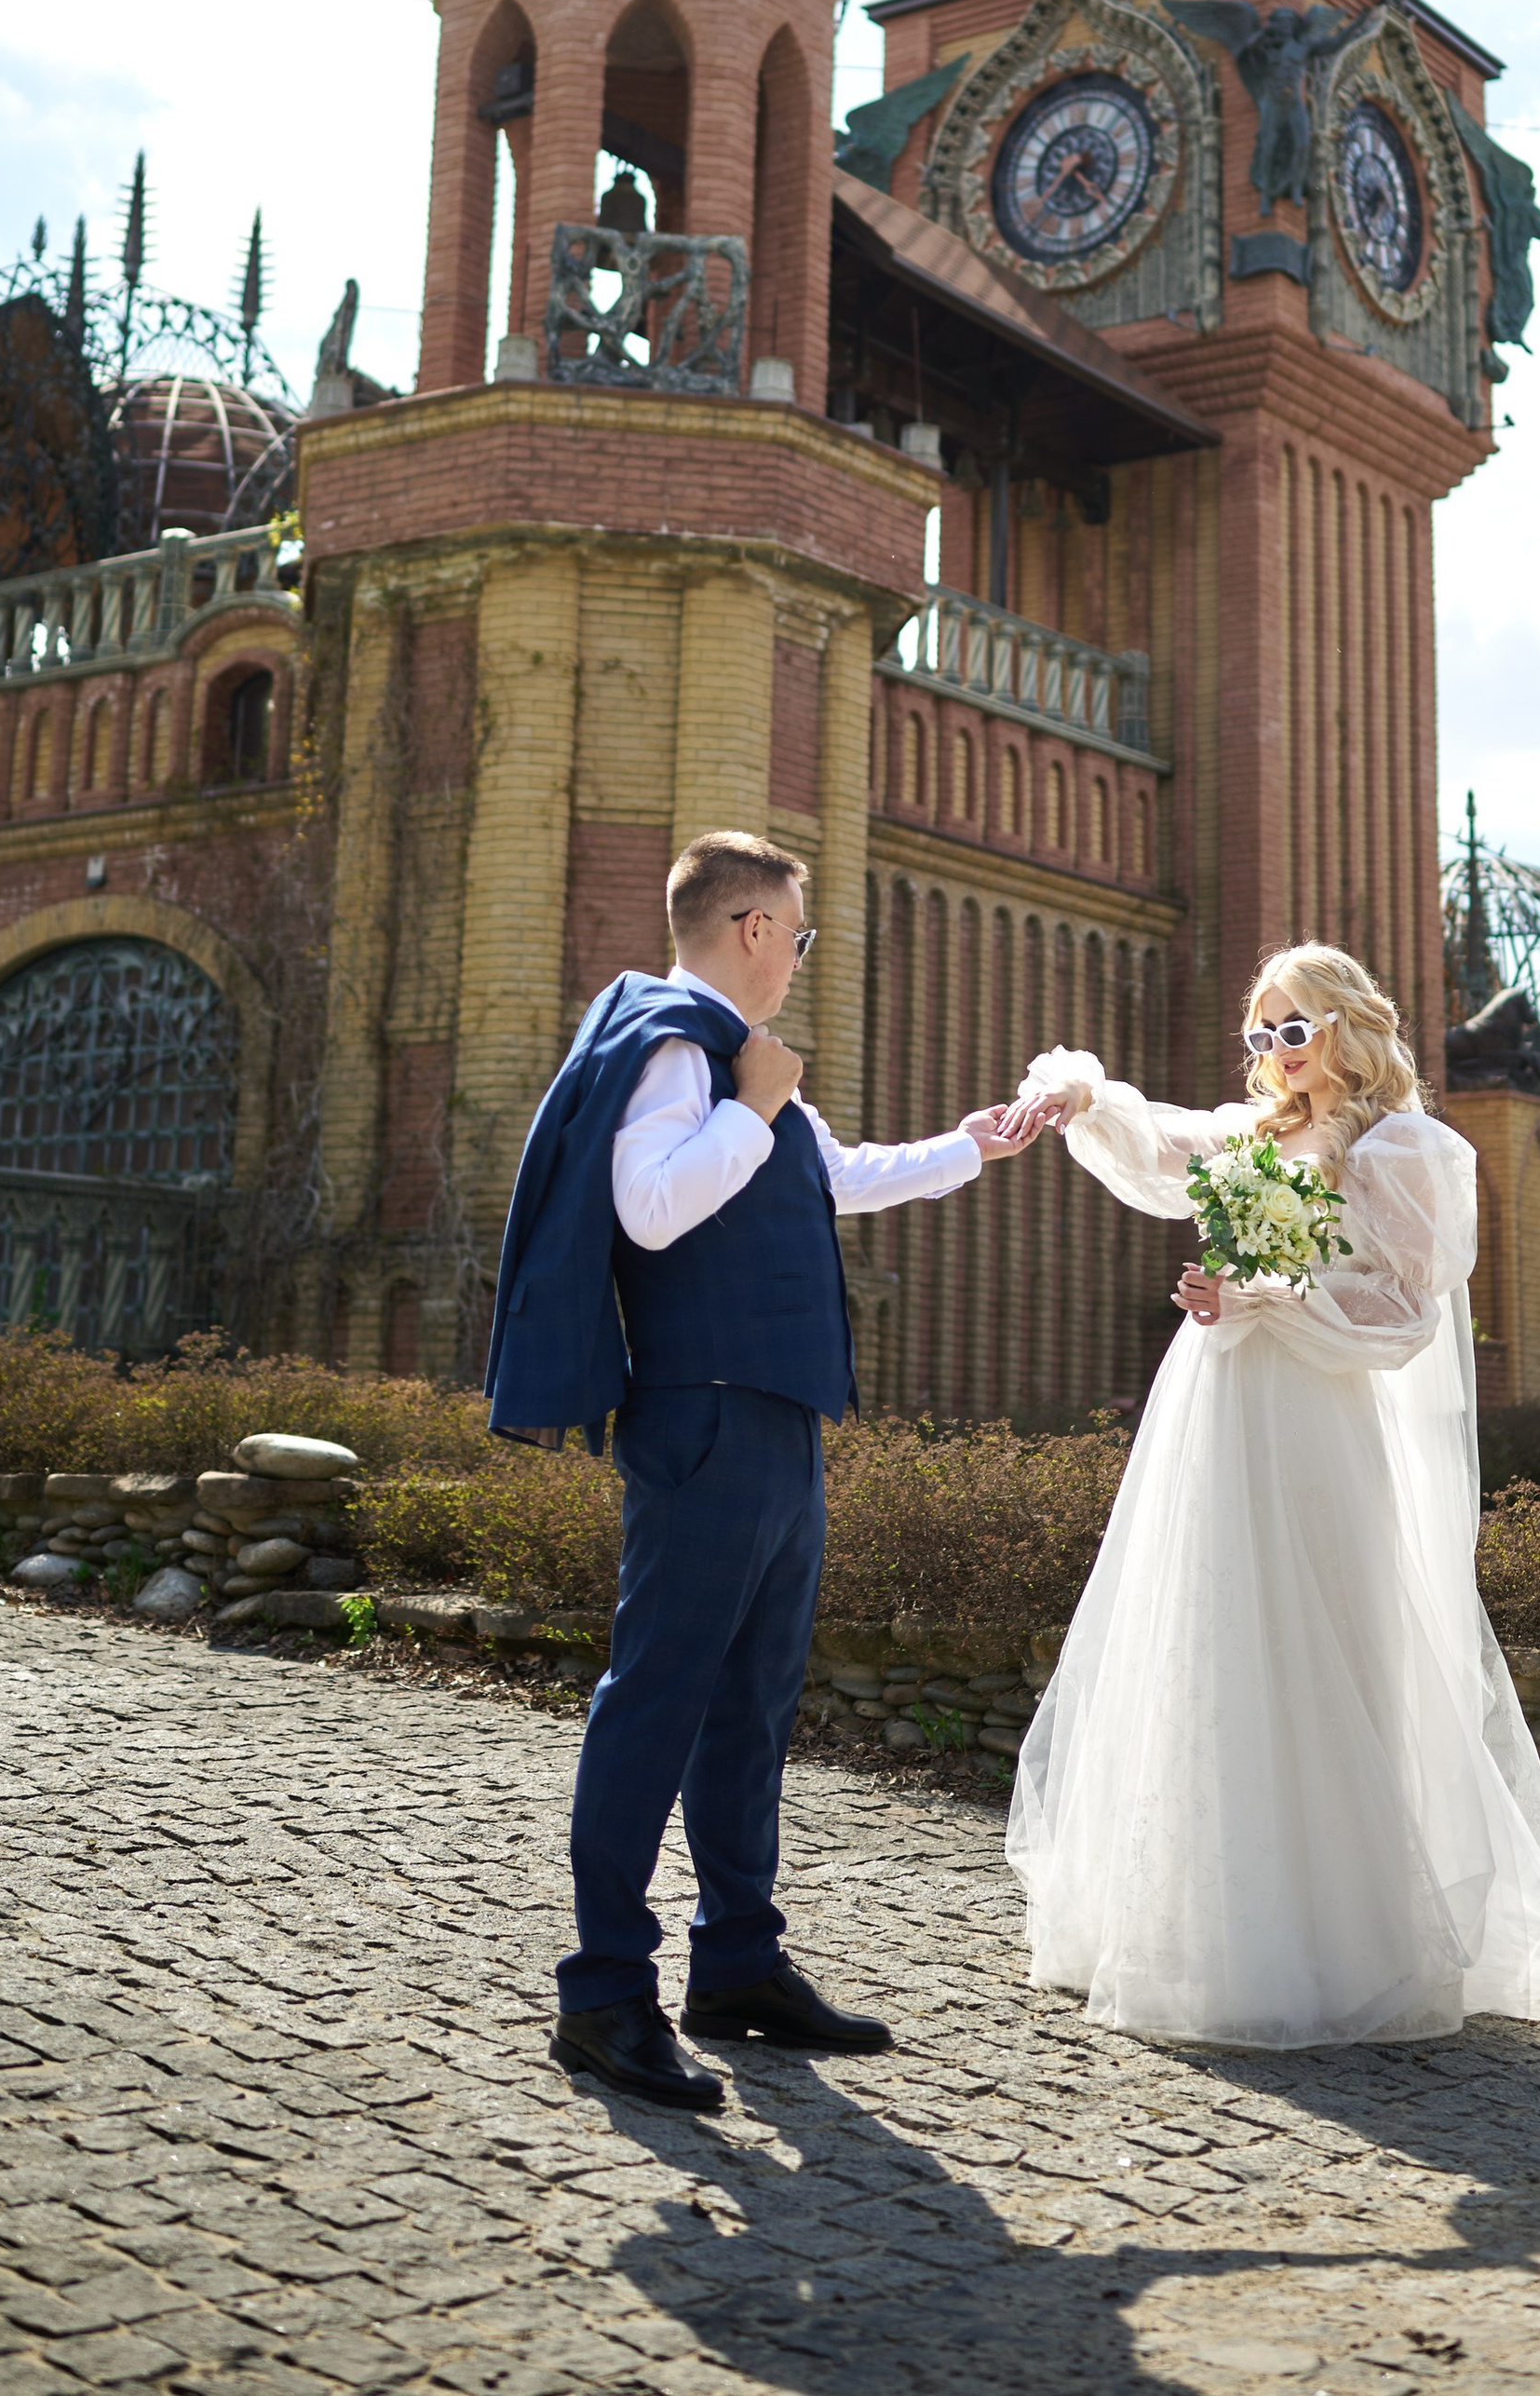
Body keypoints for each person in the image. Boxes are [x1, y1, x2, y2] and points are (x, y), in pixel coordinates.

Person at [484, 827, 1033, 2114]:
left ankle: (736, 1963)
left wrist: (974, 1145)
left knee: (750, 1706)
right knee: (657, 1697)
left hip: (777, 1418)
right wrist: (753, 1103)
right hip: (706, 1415)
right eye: (799, 928)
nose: (803, 951)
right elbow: (653, 1206)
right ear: (747, 927)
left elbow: (831, 1178)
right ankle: (603, 1991)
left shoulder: (746, 1063)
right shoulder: (684, 1044)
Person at [996, 941, 1540, 2049]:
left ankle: (1349, 1938)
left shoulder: (1401, 1145)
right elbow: (1165, 1139)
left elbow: (1408, 1307)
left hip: (1316, 1412)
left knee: (1326, 1632)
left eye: (1292, 1027)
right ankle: (1202, 1921)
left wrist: (1273, 1292)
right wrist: (1083, 1094)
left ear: (1344, 1025)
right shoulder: (1255, 1133)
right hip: (1218, 1401)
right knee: (1212, 1630)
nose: (1273, 1050)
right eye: (1259, 1031)